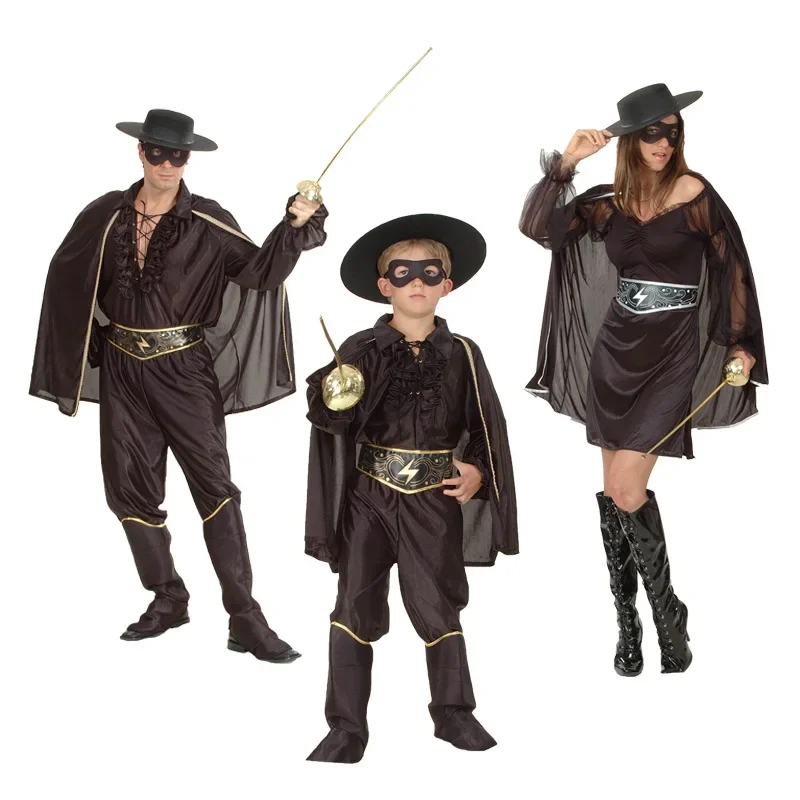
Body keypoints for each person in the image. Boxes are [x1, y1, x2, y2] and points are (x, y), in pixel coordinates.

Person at [30, 108, 328, 663]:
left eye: (178, 155)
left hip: (184, 371)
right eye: (158, 152)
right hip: (123, 367)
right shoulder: (105, 215)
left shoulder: (208, 222)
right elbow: (68, 273)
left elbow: (261, 272)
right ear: (140, 152)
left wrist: (293, 228)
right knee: (128, 489)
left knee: (215, 487)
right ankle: (168, 597)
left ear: (189, 159)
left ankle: (245, 618)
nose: (167, 164)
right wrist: (88, 335)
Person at [518, 84, 768, 676]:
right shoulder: (607, 203)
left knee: (628, 490)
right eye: (652, 132)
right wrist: (568, 162)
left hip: (672, 354)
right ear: (630, 139)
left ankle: (667, 617)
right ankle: (628, 625)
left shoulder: (695, 193)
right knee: (613, 493)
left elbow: (733, 269)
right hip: (616, 351)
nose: (664, 143)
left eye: (672, 132)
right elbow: (539, 229)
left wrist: (741, 343)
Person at [303, 214, 518, 762]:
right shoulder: (362, 348)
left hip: (433, 499)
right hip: (368, 499)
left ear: (448, 284)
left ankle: (453, 714)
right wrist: (334, 392)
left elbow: (486, 426)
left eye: (429, 272)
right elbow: (327, 414)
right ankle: (346, 727)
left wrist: (477, 471)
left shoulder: (463, 353)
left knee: (438, 603)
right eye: (403, 273)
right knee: (353, 603)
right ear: (385, 286)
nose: (416, 282)